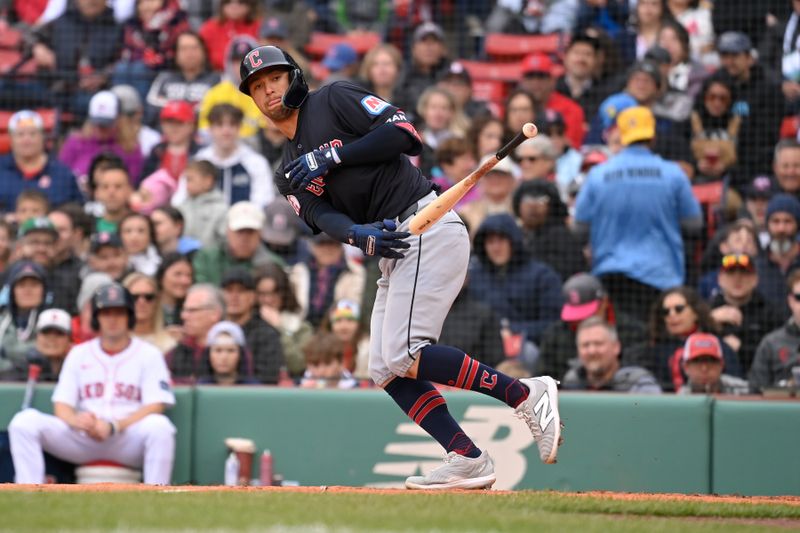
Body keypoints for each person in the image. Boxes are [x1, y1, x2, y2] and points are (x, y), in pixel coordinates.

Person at [239, 44, 564, 489]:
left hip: (427, 223)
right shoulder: (286, 169)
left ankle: (525, 394)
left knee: (405, 353)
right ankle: (466, 457)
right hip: (392, 247)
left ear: (293, 76)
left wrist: (334, 155)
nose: (268, 89)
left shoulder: (332, 99)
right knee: (385, 368)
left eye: (273, 77)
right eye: (257, 86)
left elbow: (406, 133)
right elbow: (320, 215)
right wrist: (358, 234)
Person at [7, 282, 177, 485]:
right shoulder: (79, 353)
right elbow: (62, 405)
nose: (112, 319)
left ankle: (157, 496)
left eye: (119, 312)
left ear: (129, 316)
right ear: (97, 318)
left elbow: (156, 405)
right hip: (84, 438)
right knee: (24, 422)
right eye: (106, 313)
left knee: (161, 427)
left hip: (126, 437)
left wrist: (114, 426)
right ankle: (28, 493)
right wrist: (76, 420)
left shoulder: (149, 354)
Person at [574, 106, 702, 318]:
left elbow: (579, 229)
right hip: (660, 276)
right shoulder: (673, 174)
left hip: (611, 275)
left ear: (622, 136)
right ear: (652, 137)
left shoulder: (598, 175)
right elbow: (694, 224)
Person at [469, 214, 563, 362]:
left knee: (529, 352)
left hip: (527, 350)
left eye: (501, 240)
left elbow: (553, 324)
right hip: (482, 349)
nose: (496, 247)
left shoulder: (542, 276)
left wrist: (514, 330)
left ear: (513, 241)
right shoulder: (473, 277)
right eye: (490, 241)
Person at [538, 273, 648, 380]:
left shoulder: (633, 331)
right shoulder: (555, 335)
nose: (581, 321)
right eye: (575, 316)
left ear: (604, 303)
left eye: (586, 315)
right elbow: (543, 380)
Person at [633, 286, 742, 392]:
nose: (672, 314)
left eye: (679, 309)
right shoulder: (653, 351)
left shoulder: (717, 345)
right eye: (666, 312)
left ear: (695, 312)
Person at [717, 31, 785, 187]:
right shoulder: (716, 83)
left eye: (734, 56)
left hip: (756, 166)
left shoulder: (768, 88)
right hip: (722, 161)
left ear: (749, 58)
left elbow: (768, 137)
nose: (729, 62)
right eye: (724, 56)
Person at [175, 103, 274, 208]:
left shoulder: (256, 162)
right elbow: (180, 199)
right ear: (210, 129)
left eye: (232, 124)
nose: (226, 131)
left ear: (239, 127)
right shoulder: (199, 161)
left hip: (243, 221)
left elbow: (264, 200)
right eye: (219, 124)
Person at [709, 253, 783, 374]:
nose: (738, 279)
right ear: (720, 279)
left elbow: (778, 351)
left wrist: (741, 348)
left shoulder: (770, 313)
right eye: (731, 273)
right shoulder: (708, 310)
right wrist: (709, 320)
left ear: (755, 279)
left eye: (744, 273)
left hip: (757, 378)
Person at [0, 110, 83, 214]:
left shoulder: (63, 174)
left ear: (43, 137)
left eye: (32, 133)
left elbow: (78, 210)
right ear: (11, 139)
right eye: (20, 134)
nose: (26, 139)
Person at [59, 91, 144, 185]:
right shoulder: (75, 142)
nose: (101, 129)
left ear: (118, 120)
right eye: (97, 124)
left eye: (106, 124)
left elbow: (132, 182)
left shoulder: (130, 147)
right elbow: (62, 175)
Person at [192, 201, 284, 285]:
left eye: (250, 232)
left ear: (260, 234)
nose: (244, 238)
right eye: (239, 231)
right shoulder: (206, 258)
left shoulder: (274, 265)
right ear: (228, 231)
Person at [512, 180, 586, 281]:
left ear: (551, 206)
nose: (533, 206)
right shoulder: (512, 236)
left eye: (541, 199)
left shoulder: (562, 238)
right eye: (527, 199)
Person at [562, 317, 661, 393]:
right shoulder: (572, 382)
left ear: (616, 347)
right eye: (585, 345)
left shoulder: (638, 383)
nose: (591, 351)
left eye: (598, 343)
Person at [221, 268, 284, 384]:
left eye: (241, 291)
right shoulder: (215, 330)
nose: (234, 297)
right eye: (229, 291)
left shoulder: (267, 334)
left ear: (253, 297)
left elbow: (268, 379)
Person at [289, 232, 366, 328]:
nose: (327, 249)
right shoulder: (298, 270)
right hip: (301, 328)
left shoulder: (355, 272)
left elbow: (353, 305)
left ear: (341, 247)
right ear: (313, 247)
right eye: (322, 244)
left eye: (332, 244)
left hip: (338, 328)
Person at [254, 263, 313, 379]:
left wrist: (280, 328)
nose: (268, 300)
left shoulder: (301, 328)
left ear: (284, 293)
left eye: (274, 292)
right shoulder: (248, 323)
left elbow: (298, 365)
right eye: (262, 294)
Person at [145, 30, 221, 116]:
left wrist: (180, 109)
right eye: (184, 49)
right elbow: (152, 103)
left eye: (194, 48)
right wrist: (186, 110)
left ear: (204, 52)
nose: (189, 54)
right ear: (176, 54)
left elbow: (218, 107)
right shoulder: (164, 78)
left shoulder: (217, 79)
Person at [518, 53, 585, 149]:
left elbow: (570, 147)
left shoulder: (571, 109)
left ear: (552, 80)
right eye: (530, 77)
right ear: (522, 81)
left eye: (541, 77)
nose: (535, 83)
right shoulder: (515, 108)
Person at [750, 269, 800, 392]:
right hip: (782, 409)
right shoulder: (770, 344)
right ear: (790, 301)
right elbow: (756, 392)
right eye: (799, 297)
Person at [0, 261, 50, 380]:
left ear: (44, 291)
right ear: (12, 291)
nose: (28, 290)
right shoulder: (2, 321)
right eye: (21, 285)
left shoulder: (52, 321)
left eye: (34, 285)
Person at [166, 283, 225, 383]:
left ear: (215, 314)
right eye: (184, 310)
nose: (184, 316)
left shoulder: (234, 350)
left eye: (192, 310)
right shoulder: (175, 353)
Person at [394, 22, 451, 121]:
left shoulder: (453, 75)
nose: (429, 47)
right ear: (413, 49)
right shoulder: (402, 77)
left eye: (434, 42)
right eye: (424, 41)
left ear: (443, 48)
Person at [755, 194, 800, 318]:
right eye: (775, 221)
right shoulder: (756, 266)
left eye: (788, 221)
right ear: (767, 225)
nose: (781, 228)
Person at [457, 156, 519, 238]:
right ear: (481, 180)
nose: (495, 179)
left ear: (511, 179)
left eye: (501, 174)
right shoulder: (466, 212)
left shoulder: (521, 210)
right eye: (489, 175)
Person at [140, 100, 198, 182]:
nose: (173, 128)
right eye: (168, 122)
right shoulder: (157, 151)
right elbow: (145, 181)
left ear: (191, 125)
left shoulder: (199, 153)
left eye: (179, 122)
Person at [176, 159, 227, 249]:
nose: (186, 185)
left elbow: (225, 241)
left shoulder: (221, 210)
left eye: (190, 180)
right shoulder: (181, 207)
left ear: (208, 181)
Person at [198, 0, 261, 72]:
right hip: (217, 76)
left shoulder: (260, 27)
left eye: (241, 2)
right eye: (228, 1)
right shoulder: (209, 28)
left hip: (254, 74)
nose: (234, 6)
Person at [123, 272, 177, 355]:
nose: (141, 302)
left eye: (149, 297)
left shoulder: (170, 345)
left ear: (157, 302)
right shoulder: (111, 342)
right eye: (134, 297)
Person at [678, 332, 750, 395]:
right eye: (697, 361)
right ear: (685, 367)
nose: (704, 368)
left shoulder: (743, 390)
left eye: (711, 361)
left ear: (722, 365)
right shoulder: (681, 399)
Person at [318, 299, 370, 380]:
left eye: (350, 320)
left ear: (359, 324)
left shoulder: (368, 349)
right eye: (338, 320)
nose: (344, 326)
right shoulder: (320, 348)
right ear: (330, 324)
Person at [197, 321, 258, 385]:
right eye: (218, 350)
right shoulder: (200, 387)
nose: (224, 357)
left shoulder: (253, 387)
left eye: (230, 350)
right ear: (208, 354)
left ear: (240, 354)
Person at [25, 308, 73, 382]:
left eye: (59, 333)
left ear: (69, 340)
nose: (52, 338)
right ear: (36, 337)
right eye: (46, 332)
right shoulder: (20, 368)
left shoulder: (78, 369)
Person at [156, 252, 193, 331]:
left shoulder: (192, 309)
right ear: (161, 277)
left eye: (189, 275)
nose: (185, 281)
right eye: (178, 274)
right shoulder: (149, 304)